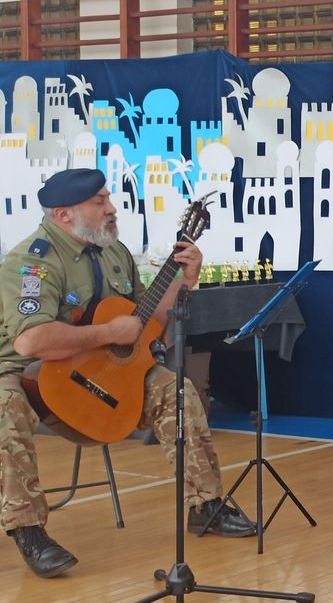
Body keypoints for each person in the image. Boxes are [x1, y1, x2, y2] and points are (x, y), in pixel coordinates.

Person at [0, 169, 256, 578]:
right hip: (26, 375)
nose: (111, 208)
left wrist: (185, 281)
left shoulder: (113, 251)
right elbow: (31, 341)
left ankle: (205, 504)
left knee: (176, 390)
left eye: (108, 198)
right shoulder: (32, 263)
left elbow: (144, 324)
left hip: (100, 372)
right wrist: (107, 333)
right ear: (64, 215)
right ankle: (28, 529)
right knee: (4, 405)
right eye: (99, 201)